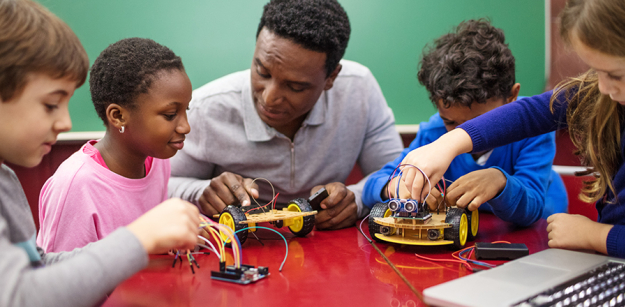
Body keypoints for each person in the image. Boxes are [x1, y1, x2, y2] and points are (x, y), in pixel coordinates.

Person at [0, 1, 200, 306]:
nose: (66, 122)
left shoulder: (0, 177)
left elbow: (38, 268)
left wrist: (144, 240)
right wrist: (135, 239)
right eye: (51, 105)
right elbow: (18, 297)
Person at [398, 0, 625, 257]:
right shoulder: (602, 94)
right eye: (596, 72)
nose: (603, 88)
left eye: (615, 75)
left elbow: (532, 207)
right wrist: (448, 144)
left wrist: (596, 236)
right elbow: (531, 113)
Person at [168, 0, 403, 230]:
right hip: (241, 250)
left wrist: (357, 199)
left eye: (295, 87)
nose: (269, 98)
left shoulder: (359, 90)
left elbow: (395, 176)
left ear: (331, 78)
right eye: (262, 71)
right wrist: (201, 193)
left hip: (328, 251)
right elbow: (159, 186)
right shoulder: (206, 108)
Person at [362, 20, 567, 227]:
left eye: (482, 124)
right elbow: (373, 183)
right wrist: (393, 186)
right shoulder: (435, 132)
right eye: (450, 122)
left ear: (511, 96)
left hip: (539, 235)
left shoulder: (534, 128)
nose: (462, 132)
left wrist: (500, 182)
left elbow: (532, 208)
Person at [37, 38, 193, 252]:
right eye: (170, 115)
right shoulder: (76, 185)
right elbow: (58, 278)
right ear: (118, 116)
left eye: (187, 110)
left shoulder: (157, 161)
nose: (185, 127)